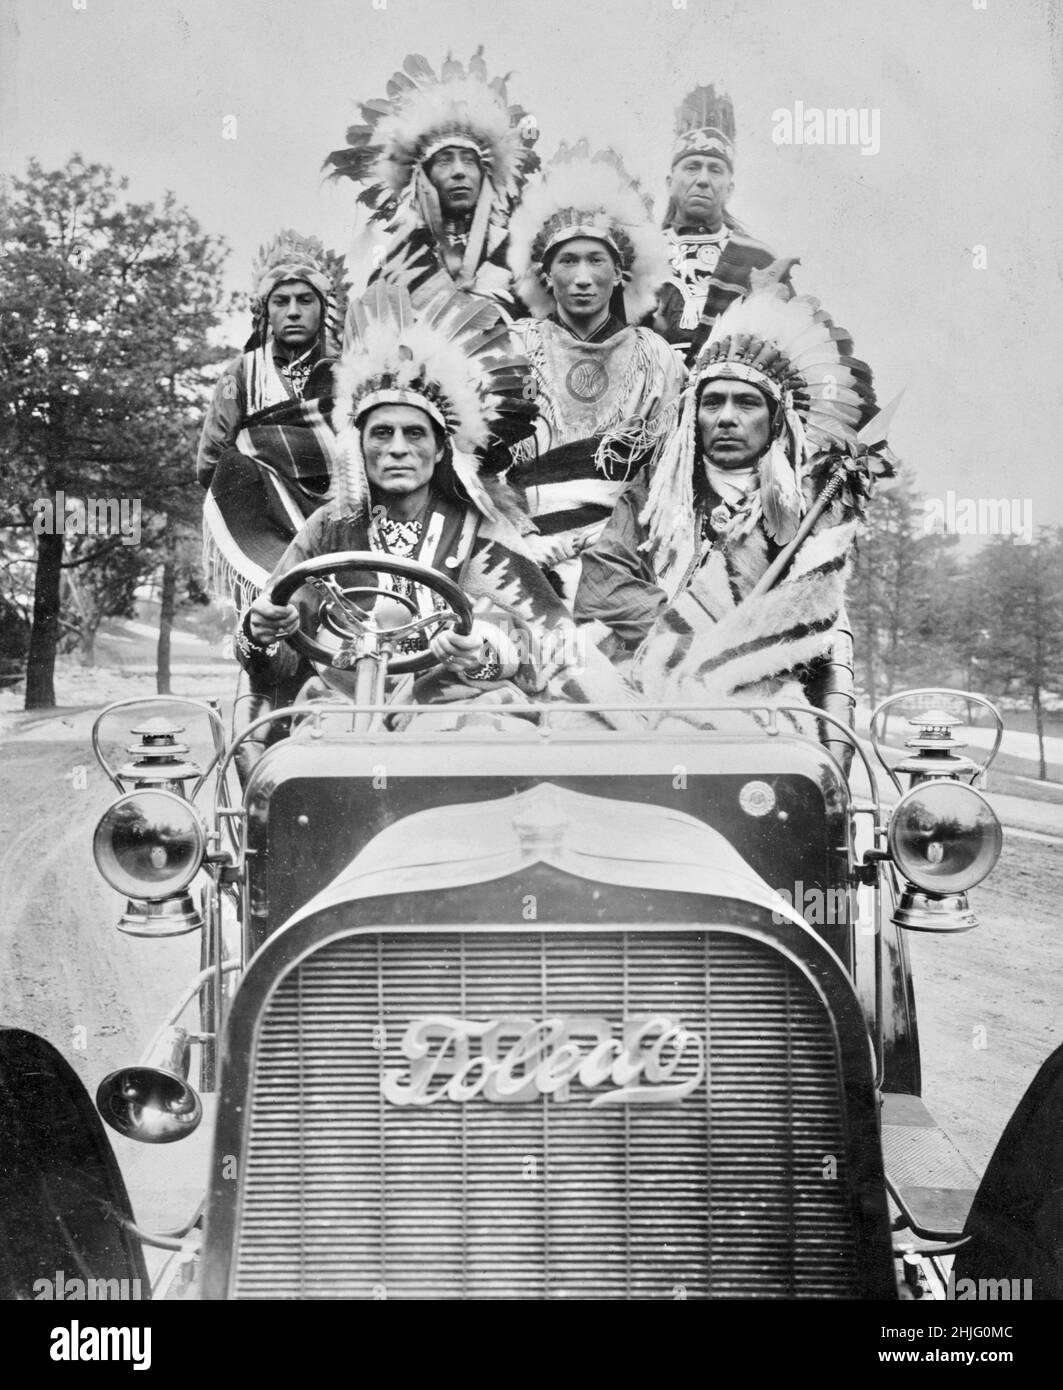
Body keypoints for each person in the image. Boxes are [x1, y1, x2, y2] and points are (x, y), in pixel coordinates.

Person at [238, 285, 605, 753]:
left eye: (414, 433)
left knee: (482, 736)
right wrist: (262, 632)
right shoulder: (330, 528)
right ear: (359, 445)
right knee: (303, 757)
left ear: (440, 449)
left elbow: (556, 645)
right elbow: (277, 661)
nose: (396, 448)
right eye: (381, 433)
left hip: (458, 707)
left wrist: (487, 648)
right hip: (342, 709)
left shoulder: (481, 527)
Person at [576, 284, 894, 766]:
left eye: (746, 403)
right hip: (644, 679)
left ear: (776, 420)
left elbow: (803, 619)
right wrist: (686, 647)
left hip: (761, 692)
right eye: (712, 402)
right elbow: (601, 586)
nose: (726, 417)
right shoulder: (655, 493)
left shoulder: (807, 511)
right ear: (693, 416)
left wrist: (724, 664)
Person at [504, 146, 684, 600]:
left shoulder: (656, 358)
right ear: (546, 276)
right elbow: (480, 460)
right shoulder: (513, 346)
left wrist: (609, 543)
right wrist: (524, 538)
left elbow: (666, 476)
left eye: (596, 260)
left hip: (621, 553)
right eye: (568, 261)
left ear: (621, 274)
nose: (582, 277)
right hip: (521, 547)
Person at [324, 49, 539, 313]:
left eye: (470, 161)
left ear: (486, 175)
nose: (459, 171)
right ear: (422, 178)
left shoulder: (519, 254)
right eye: (445, 160)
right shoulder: (396, 263)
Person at [649, 86, 795, 364]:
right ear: (669, 183)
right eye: (692, 167)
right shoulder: (641, 254)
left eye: (715, 169)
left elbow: (784, 346)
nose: (703, 179)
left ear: (730, 188)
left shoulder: (758, 259)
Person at [195, 229, 347, 492]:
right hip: (264, 517)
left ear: (322, 308)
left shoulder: (346, 373)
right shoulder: (240, 374)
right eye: (280, 302)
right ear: (266, 311)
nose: (293, 312)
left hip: (336, 512)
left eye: (305, 300)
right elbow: (211, 462)